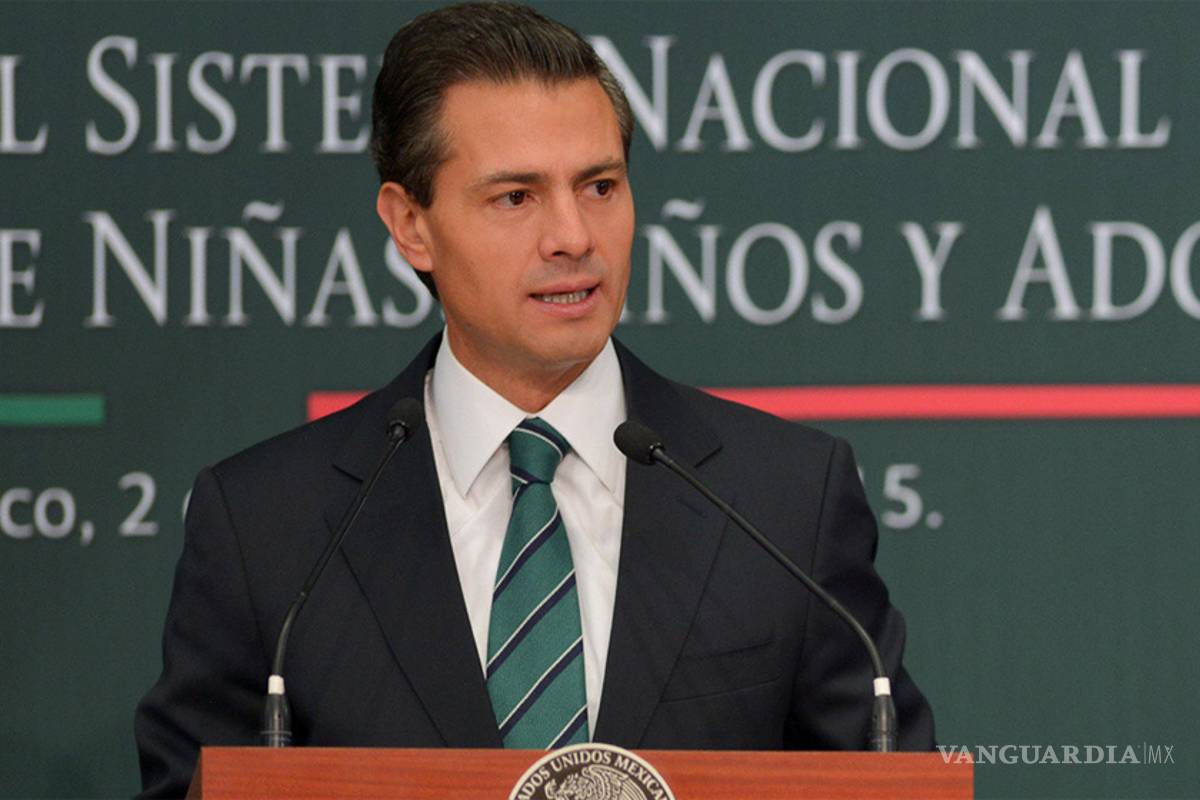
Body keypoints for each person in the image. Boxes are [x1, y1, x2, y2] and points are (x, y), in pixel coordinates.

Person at [134, 3, 935, 796]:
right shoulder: (267, 526)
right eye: (516, 197)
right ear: (410, 225)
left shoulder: (785, 501)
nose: (573, 237)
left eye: (599, 186)